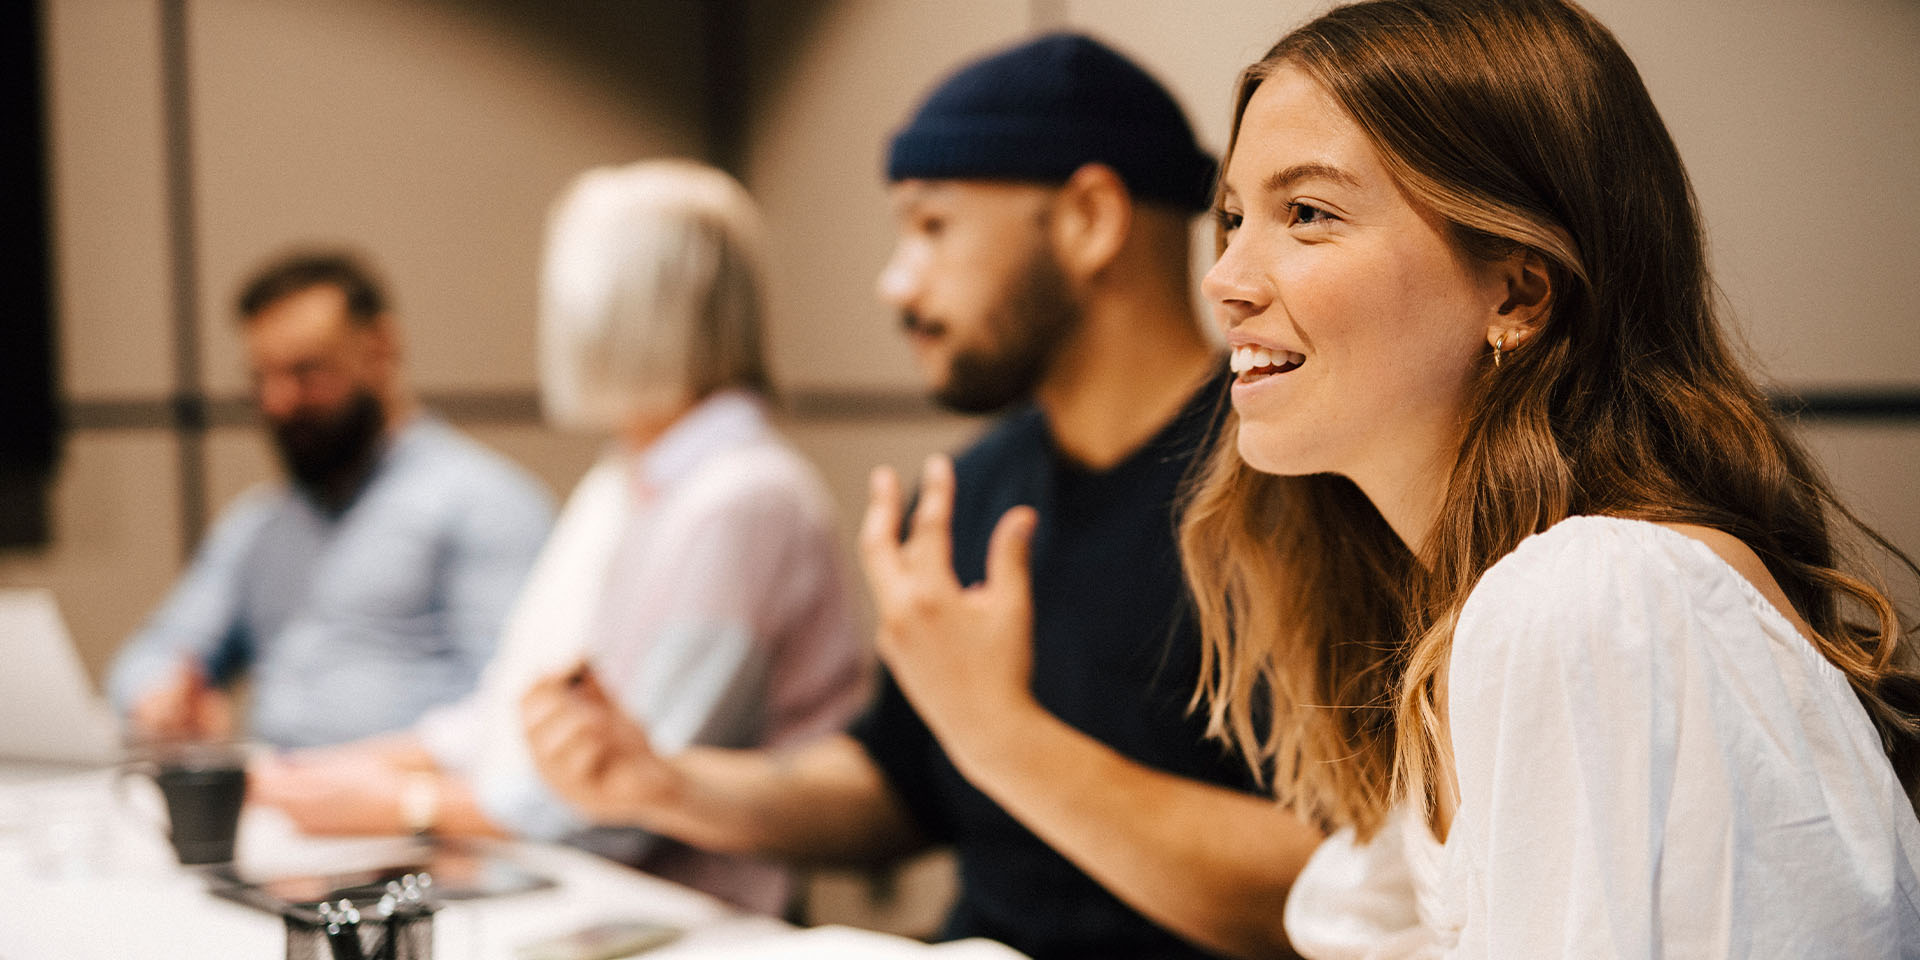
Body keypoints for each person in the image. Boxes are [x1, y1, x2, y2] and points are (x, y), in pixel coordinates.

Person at [521, 35, 1321, 960]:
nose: (895, 283)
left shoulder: (1285, 479)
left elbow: (1334, 886)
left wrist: (1005, 737)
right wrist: (665, 785)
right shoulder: (971, 486)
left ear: (1090, 218)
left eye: (933, 225)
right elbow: (897, 787)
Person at [1174, 0, 1920, 956]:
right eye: (1234, 217)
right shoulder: (1480, 604)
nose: (1224, 276)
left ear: (1519, 291)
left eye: (1307, 214)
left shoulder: (1592, 596)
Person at [250, 160, 869, 915]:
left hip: (684, 914)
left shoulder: (744, 500)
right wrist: (328, 773)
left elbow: (613, 794)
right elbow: (519, 703)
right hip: (571, 885)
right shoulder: (624, 479)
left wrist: (408, 803)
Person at [108, 252, 553, 750]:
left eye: (307, 372)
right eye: (261, 379)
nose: (278, 402)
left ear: (381, 349)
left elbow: (518, 706)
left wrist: (387, 780)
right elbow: (154, 651)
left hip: (409, 809)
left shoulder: (482, 504)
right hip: (274, 800)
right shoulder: (260, 525)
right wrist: (160, 700)